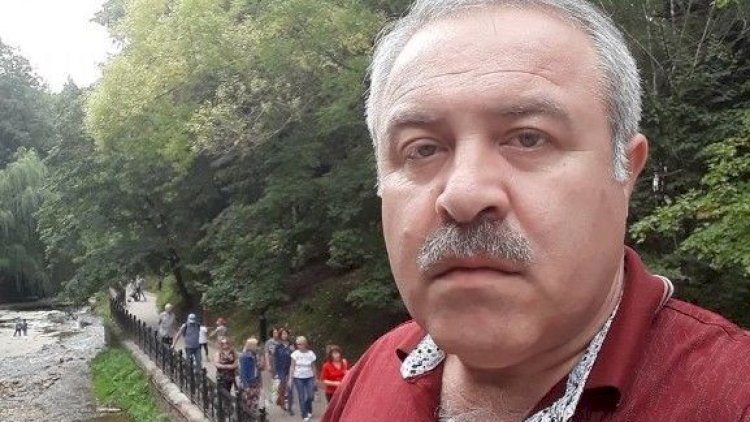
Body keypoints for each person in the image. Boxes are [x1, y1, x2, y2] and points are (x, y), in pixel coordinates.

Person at [323, 1, 750, 421]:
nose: (463, 195)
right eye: (422, 149)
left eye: (528, 138)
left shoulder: (731, 399)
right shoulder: (370, 377)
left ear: (626, 174)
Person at [288, 336, 317, 422]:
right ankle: (304, 414)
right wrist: (290, 379)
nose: (299, 346)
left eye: (301, 344)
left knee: (310, 396)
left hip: (309, 377)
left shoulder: (311, 354)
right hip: (298, 377)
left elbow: (313, 367)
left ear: (305, 344)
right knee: (302, 396)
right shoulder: (295, 354)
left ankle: (309, 409)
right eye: (298, 344)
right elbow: (292, 367)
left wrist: (315, 379)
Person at [274, 328, 295, 415]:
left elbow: (295, 356)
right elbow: (275, 359)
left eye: (286, 334)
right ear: (280, 336)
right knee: (282, 384)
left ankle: (289, 407)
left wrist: (293, 350)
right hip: (280, 369)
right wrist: (275, 371)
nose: (284, 335)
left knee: (290, 387)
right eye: (283, 334)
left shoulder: (291, 345)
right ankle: (281, 400)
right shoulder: (278, 346)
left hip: (290, 368)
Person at [239, 337, 263, 416]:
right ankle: (247, 417)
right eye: (256, 345)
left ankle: (253, 415)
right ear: (251, 346)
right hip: (248, 382)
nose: (257, 347)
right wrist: (246, 386)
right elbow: (243, 372)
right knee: (247, 402)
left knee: (255, 401)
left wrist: (260, 381)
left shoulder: (254, 355)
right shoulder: (245, 357)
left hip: (255, 381)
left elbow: (258, 369)